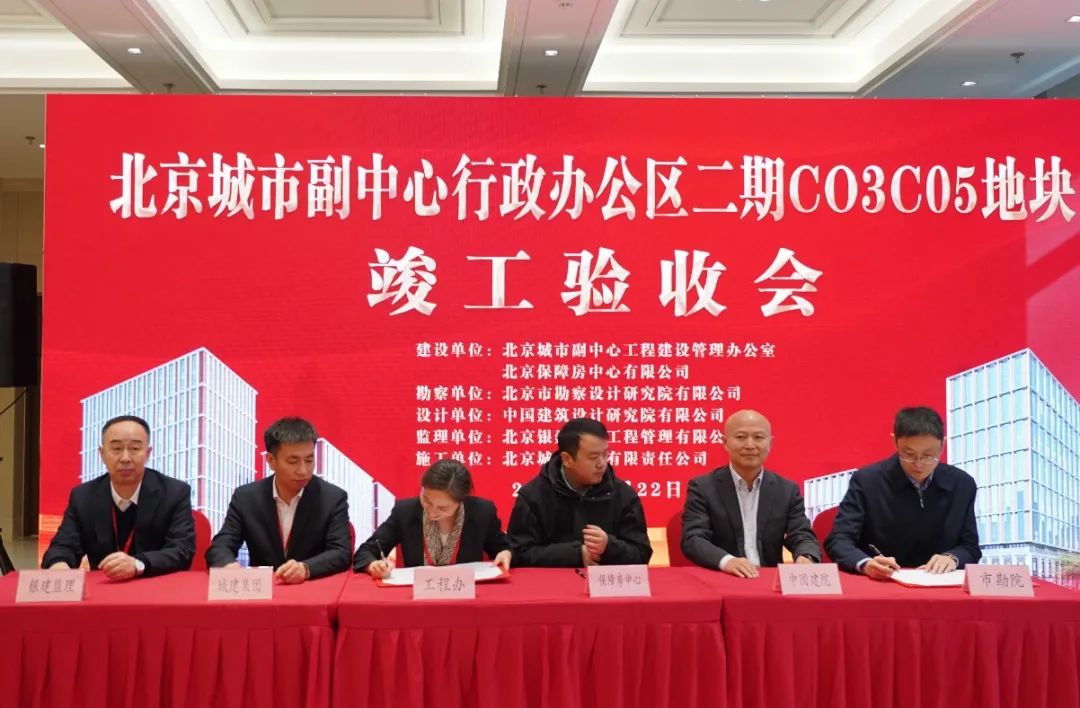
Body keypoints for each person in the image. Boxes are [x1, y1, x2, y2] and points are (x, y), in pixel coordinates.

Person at [826, 406, 981, 579]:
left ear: (942, 445)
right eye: (909, 454)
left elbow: (970, 547)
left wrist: (953, 558)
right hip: (883, 581)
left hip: (940, 582)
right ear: (895, 442)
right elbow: (839, 540)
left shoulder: (962, 484)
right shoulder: (867, 481)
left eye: (928, 455)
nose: (919, 463)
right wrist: (865, 563)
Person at [42, 415, 194, 579]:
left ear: (148, 453)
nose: (125, 458)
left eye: (134, 448)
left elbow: (182, 550)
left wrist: (138, 564)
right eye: (116, 449)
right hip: (102, 588)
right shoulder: (83, 496)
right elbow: (62, 546)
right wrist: (59, 565)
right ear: (102, 454)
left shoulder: (174, 493)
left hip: (155, 585)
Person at [206, 417, 350, 583]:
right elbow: (221, 545)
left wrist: (306, 568)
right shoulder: (246, 498)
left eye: (309, 460)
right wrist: (227, 565)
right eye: (293, 461)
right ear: (271, 461)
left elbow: (341, 552)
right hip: (264, 589)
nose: (303, 470)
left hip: (311, 587)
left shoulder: (332, 498)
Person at [681, 409, 820, 577]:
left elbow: (801, 534)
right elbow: (693, 538)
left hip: (768, 579)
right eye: (741, 437)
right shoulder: (703, 487)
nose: (750, 445)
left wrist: (806, 556)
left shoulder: (786, 490)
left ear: (770, 443)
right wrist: (726, 561)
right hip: (724, 576)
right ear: (725, 442)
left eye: (758, 437)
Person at [507, 417, 652, 567]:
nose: (602, 464)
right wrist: (575, 554)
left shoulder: (623, 495)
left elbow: (642, 554)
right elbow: (518, 552)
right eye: (593, 457)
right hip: (551, 581)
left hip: (604, 582)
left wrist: (609, 546)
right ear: (567, 459)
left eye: (605, 454)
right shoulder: (533, 496)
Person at [354, 458, 511, 577]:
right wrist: (373, 565)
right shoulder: (405, 511)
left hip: (467, 594)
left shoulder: (481, 512)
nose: (432, 511)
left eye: (443, 508)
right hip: (417, 597)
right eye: (427, 501)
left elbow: (503, 548)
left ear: (461, 501)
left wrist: (505, 553)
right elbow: (366, 551)